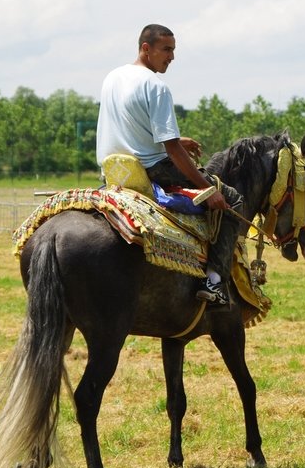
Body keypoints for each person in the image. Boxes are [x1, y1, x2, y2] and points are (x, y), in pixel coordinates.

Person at [96, 23, 242, 306]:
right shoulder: (156, 86)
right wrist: (208, 190)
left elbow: (131, 126)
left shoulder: (113, 77)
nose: (172, 57)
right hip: (153, 168)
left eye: (173, 50)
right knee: (233, 200)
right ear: (146, 48)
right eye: (167, 49)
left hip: (114, 170)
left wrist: (175, 139)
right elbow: (171, 149)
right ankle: (213, 281)